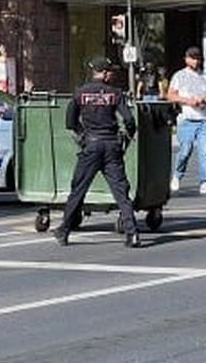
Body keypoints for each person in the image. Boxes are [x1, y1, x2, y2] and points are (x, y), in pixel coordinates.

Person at [54, 57, 141, 249]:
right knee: (121, 192)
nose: (111, 74)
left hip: (91, 146)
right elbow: (129, 120)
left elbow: (70, 121)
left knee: (78, 190)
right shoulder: (115, 93)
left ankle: (64, 230)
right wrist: (127, 138)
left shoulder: (80, 93)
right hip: (111, 146)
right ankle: (132, 233)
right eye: (109, 71)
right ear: (104, 73)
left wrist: (83, 136)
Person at [168, 46, 206, 194]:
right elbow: (170, 95)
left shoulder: (205, 76)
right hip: (187, 118)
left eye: (197, 58)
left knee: (205, 151)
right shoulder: (179, 76)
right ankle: (177, 175)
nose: (195, 61)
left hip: (203, 119)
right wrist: (187, 101)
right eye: (192, 58)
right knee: (185, 150)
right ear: (186, 59)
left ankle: (205, 182)